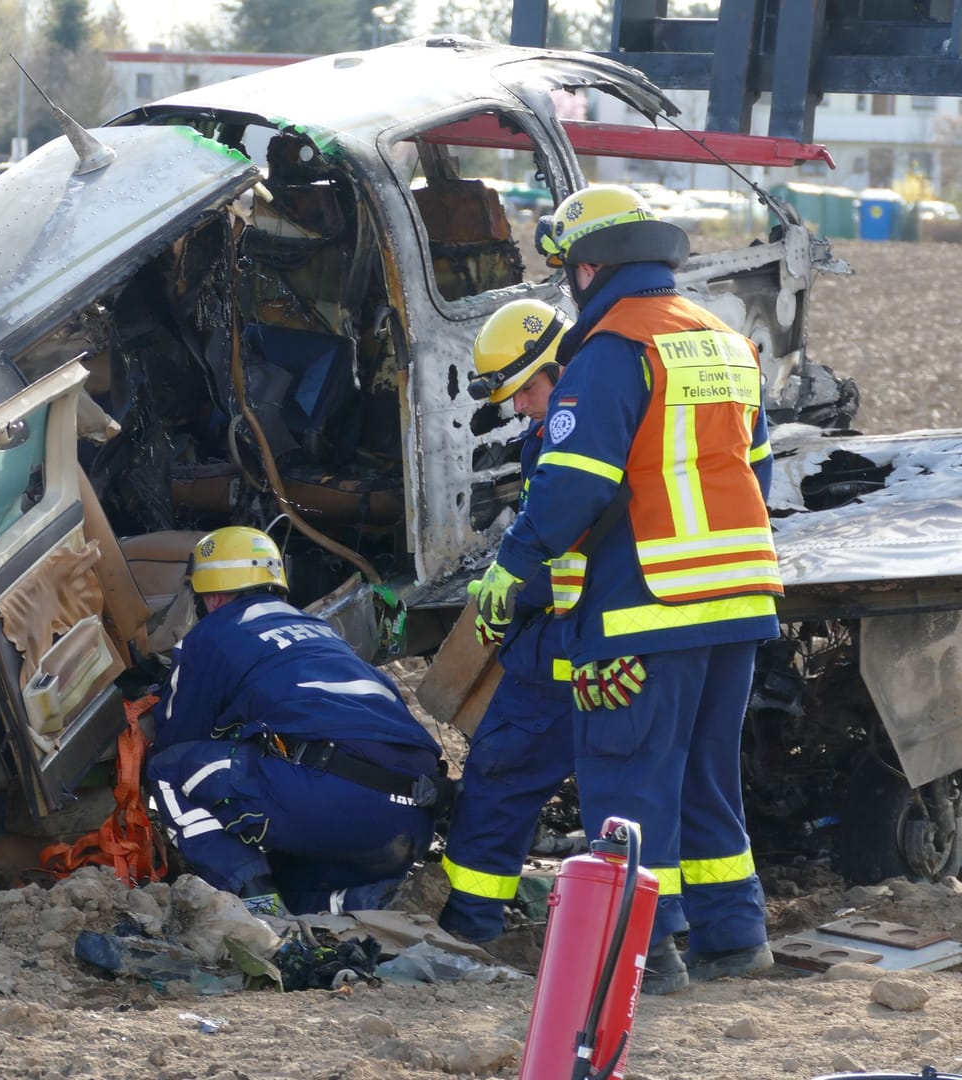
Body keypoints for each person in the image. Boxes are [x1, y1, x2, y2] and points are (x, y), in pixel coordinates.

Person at [470, 184, 781, 994]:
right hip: (739, 600)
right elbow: (757, 472)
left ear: (587, 268)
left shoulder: (610, 351)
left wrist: (515, 564)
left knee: (626, 778)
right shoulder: (725, 342)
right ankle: (734, 936)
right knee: (707, 776)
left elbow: (573, 486)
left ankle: (649, 952)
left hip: (648, 605)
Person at [145, 526, 445, 916]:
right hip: (411, 815)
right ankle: (363, 902)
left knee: (168, 768)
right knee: (287, 874)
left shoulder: (212, 635)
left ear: (213, 596)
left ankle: (256, 904)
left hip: (327, 796)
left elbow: (179, 737)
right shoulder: (323, 632)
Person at [437, 298, 581, 944]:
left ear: (557, 366)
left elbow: (577, 545)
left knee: (502, 773)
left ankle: (470, 927)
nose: (517, 407)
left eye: (524, 391)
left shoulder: (577, 438)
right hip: (583, 632)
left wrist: (518, 590)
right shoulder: (563, 431)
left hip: (564, 637)